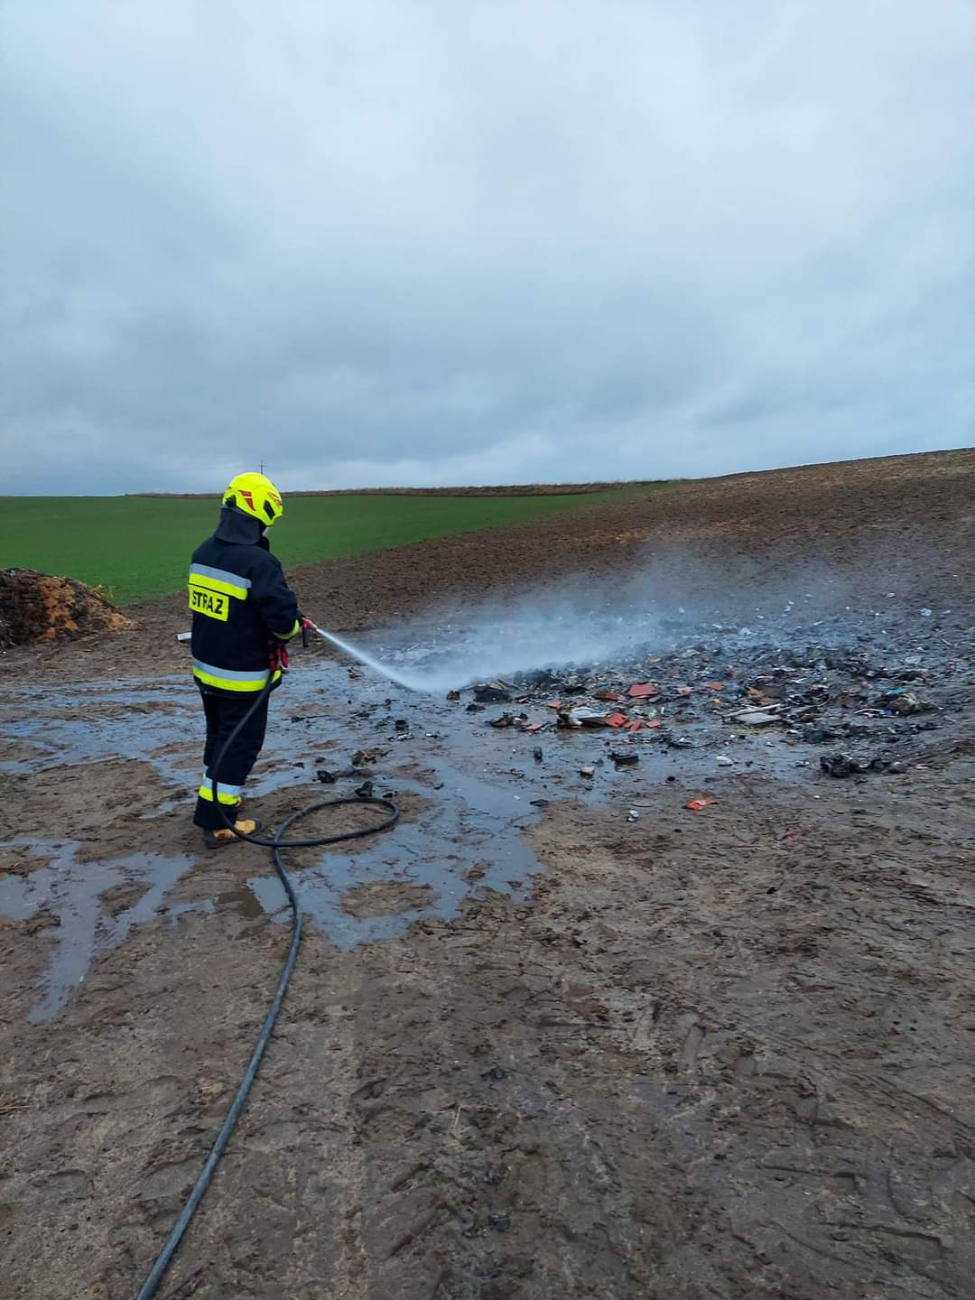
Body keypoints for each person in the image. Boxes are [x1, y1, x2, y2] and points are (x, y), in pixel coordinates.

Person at [188, 472, 304, 848]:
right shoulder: (258, 563)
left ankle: (217, 796)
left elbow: (227, 611)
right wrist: (292, 626)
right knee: (240, 744)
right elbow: (282, 622)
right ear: (261, 511)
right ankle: (219, 822)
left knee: (220, 737)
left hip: (206, 668)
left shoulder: (203, 552)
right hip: (242, 676)